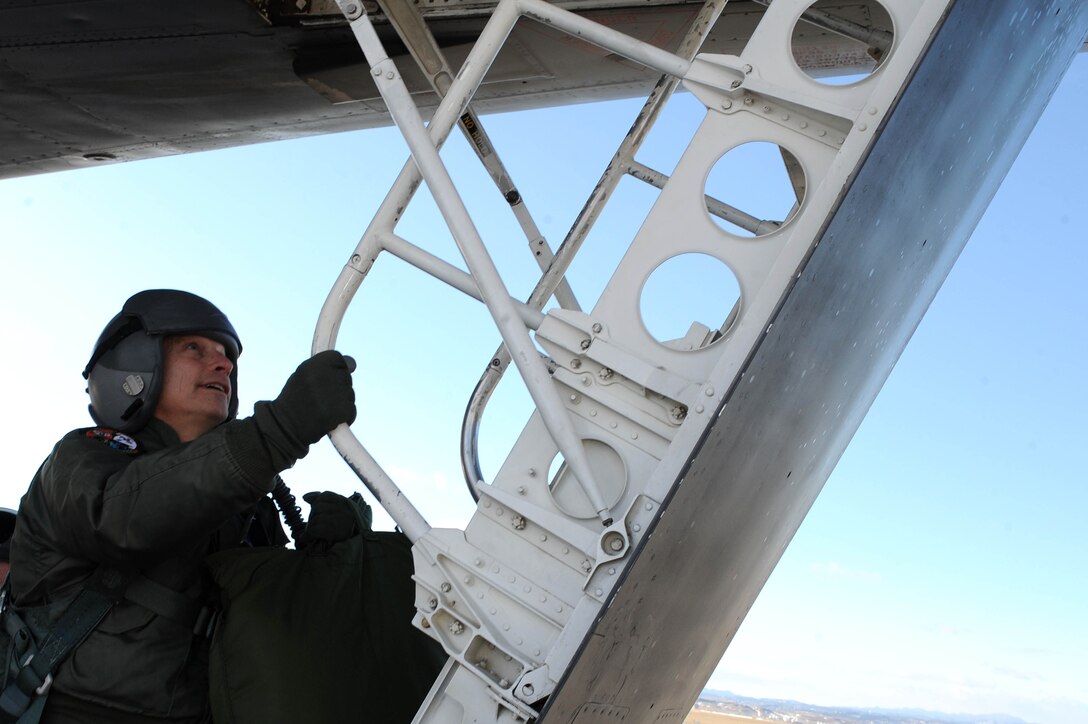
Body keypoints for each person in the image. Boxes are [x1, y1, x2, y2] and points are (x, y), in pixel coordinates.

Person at [6, 289, 356, 724]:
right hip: (72, 709)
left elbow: (274, 626)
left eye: (226, 356)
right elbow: (123, 517)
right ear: (136, 365)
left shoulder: (242, 501)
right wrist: (276, 433)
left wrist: (329, 557)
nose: (224, 364)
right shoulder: (82, 460)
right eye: (195, 348)